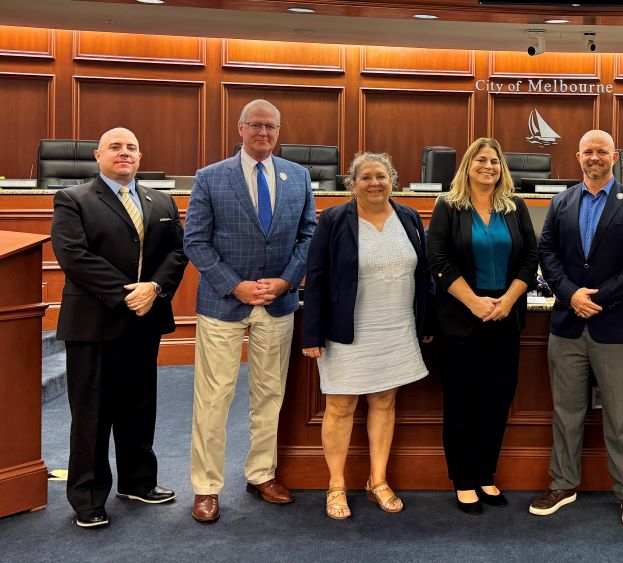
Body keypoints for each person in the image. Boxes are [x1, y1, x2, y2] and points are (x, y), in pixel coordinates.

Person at [184, 99, 316, 523]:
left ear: (279, 131)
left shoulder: (297, 176)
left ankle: (261, 474)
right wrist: (233, 284)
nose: (264, 133)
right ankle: (206, 487)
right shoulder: (210, 177)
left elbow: (308, 237)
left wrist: (285, 281)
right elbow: (195, 242)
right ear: (240, 128)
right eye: (256, 125)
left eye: (271, 127)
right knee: (214, 397)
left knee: (269, 395)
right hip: (223, 302)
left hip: (277, 303)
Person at [51, 127, 188, 528]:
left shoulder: (160, 200)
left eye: (131, 147)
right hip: (94, 321)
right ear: (98, 155)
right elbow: (73, 255)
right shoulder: (73, 199)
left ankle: (138, 481)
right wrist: (128, 293)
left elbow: (179, 251)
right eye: (115, 147)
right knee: (93, 412)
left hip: (144, 322)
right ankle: (88, 497)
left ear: (140, 157)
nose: (124, 153)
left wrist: (156, 288)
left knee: (139, 406)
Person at [531, 130, 623, 528]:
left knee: (621, 412)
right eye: (588, 151)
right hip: (568, 324)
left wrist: (599, 298)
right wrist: (570, 294)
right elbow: (547, 253)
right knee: (566, 410)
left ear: (615, 156)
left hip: (616, 323)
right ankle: (563, 483)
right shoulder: (561, 201)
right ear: (577, 157)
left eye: (602, 151)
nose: (595, 157)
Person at [302, 152, 431, 519]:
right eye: (365, 177)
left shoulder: (408, 217)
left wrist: (425, 324)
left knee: (385, 401)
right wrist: (312, 333)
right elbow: (317, 277)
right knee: (340, 406)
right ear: (352, 184)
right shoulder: (334, 219)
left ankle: (377, 481)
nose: (374, 183)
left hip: (396, 327)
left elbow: (422, 277)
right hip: (348, 332)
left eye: (381, 176)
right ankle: (336, 484)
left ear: (393, 179)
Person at [426, 138, 539, 515]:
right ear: (468, 166)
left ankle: (486, 473)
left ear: (501, 168)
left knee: (496, 400)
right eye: (480, 159)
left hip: (505, 317)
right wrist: (473, 301)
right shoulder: (448, 206)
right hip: (461, 317)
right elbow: (437, 258)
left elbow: (530, 257)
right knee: (461, 401)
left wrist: (507, 300)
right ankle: (462, 479)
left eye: (494, 160)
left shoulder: (514, 206)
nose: (488, 166)